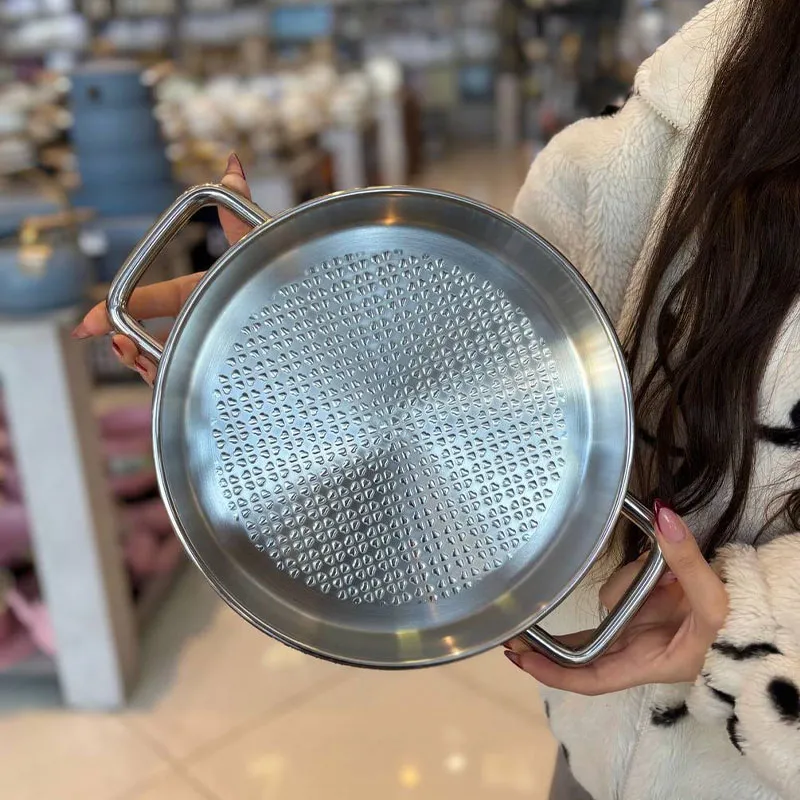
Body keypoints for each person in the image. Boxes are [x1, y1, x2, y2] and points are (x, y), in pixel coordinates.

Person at [74, 0, 800, 797]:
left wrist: (760, 629)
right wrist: (304, 352)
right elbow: (500, 411)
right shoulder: (632, 151)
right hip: (599, 748)